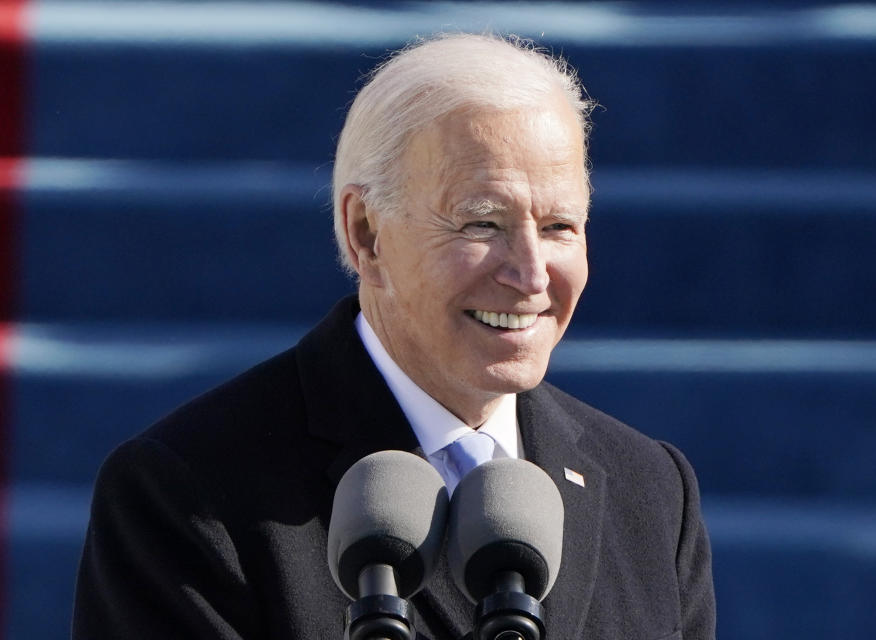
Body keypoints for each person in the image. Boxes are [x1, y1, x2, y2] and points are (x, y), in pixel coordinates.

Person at [73, 33, 715, 639]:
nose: (528, 273)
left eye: (558, 226)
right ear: (367, 235)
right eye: (482, 223)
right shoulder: (186, 495)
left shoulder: (652, 493)